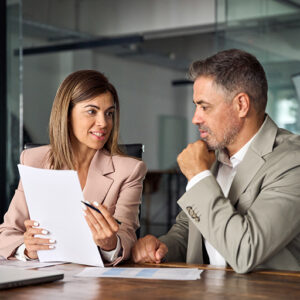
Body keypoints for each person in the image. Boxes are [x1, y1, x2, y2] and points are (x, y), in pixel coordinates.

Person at [132, 49, 300, 273]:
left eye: (204, 106)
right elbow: (189, 228)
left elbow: (246, 250)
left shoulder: (292, 161)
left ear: (241, 105)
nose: (195, 118)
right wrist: (163, 248)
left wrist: (199, 176)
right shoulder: (213, 156)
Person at [0, 70, 147, 266]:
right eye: (92, 111)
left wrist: (111, 244)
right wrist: (28, 249)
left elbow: (127, 235)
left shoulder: (129, 170)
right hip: (43, 281)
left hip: (99, 284)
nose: (103, 123)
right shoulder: (34, 160)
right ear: (67, 115)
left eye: (109, 113)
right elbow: (7, 234)